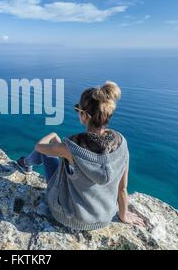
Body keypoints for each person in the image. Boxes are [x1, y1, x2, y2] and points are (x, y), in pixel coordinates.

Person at [15, 81, 144, 229]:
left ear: (84, 116)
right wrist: (124, 215)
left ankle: (25, 164)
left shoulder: (71, 148)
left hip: (71, 217)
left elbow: (39, 147)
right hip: (104, 219)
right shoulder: (122, 143)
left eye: (78, 110)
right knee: (66, 161)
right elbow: (122, 188)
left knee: (48, 152)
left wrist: (52, 136)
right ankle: (26, 163)